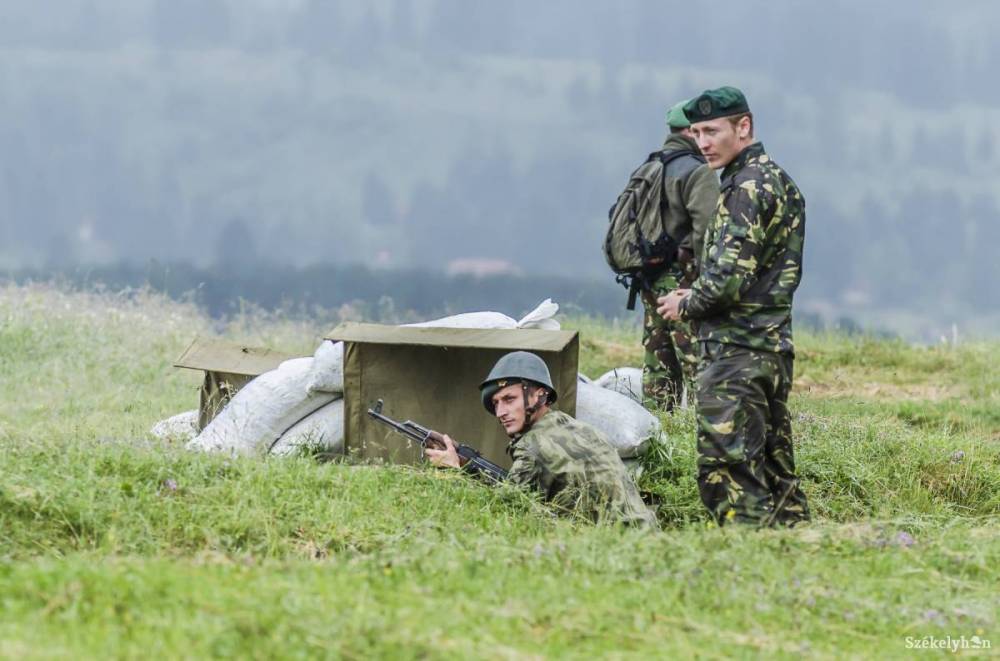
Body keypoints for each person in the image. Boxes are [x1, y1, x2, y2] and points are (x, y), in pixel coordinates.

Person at [657, 86, 810, 527]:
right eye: (697, 132)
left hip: (735, 356)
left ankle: (749, 574)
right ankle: (798, 566)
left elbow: (725, 281)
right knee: (776, 475)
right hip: (771, 349)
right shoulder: (779, 181)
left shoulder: (744, 189)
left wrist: (686, 303)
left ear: (744, 127)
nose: (702, 142)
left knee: (729, 473)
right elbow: (756, 273)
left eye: (713, 131)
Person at [425, 351, 658, 528]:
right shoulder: (583, 430)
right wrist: (470, 466)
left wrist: (455, 470)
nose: (500, 412)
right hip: (644, 536)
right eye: (496, 404)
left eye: (509, 399)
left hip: (610, 550)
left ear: (539, 394)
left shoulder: (532, 445)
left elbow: (500, 513)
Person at [640, 100, 720, 412]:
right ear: (690, 131)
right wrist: (710, 281)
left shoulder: (650, 166)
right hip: (683, 280)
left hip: (647, 277)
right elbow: (706, 231)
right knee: (697, 358)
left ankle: (658, 428)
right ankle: (709, 429)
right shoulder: (698, 171)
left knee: (658, 358)